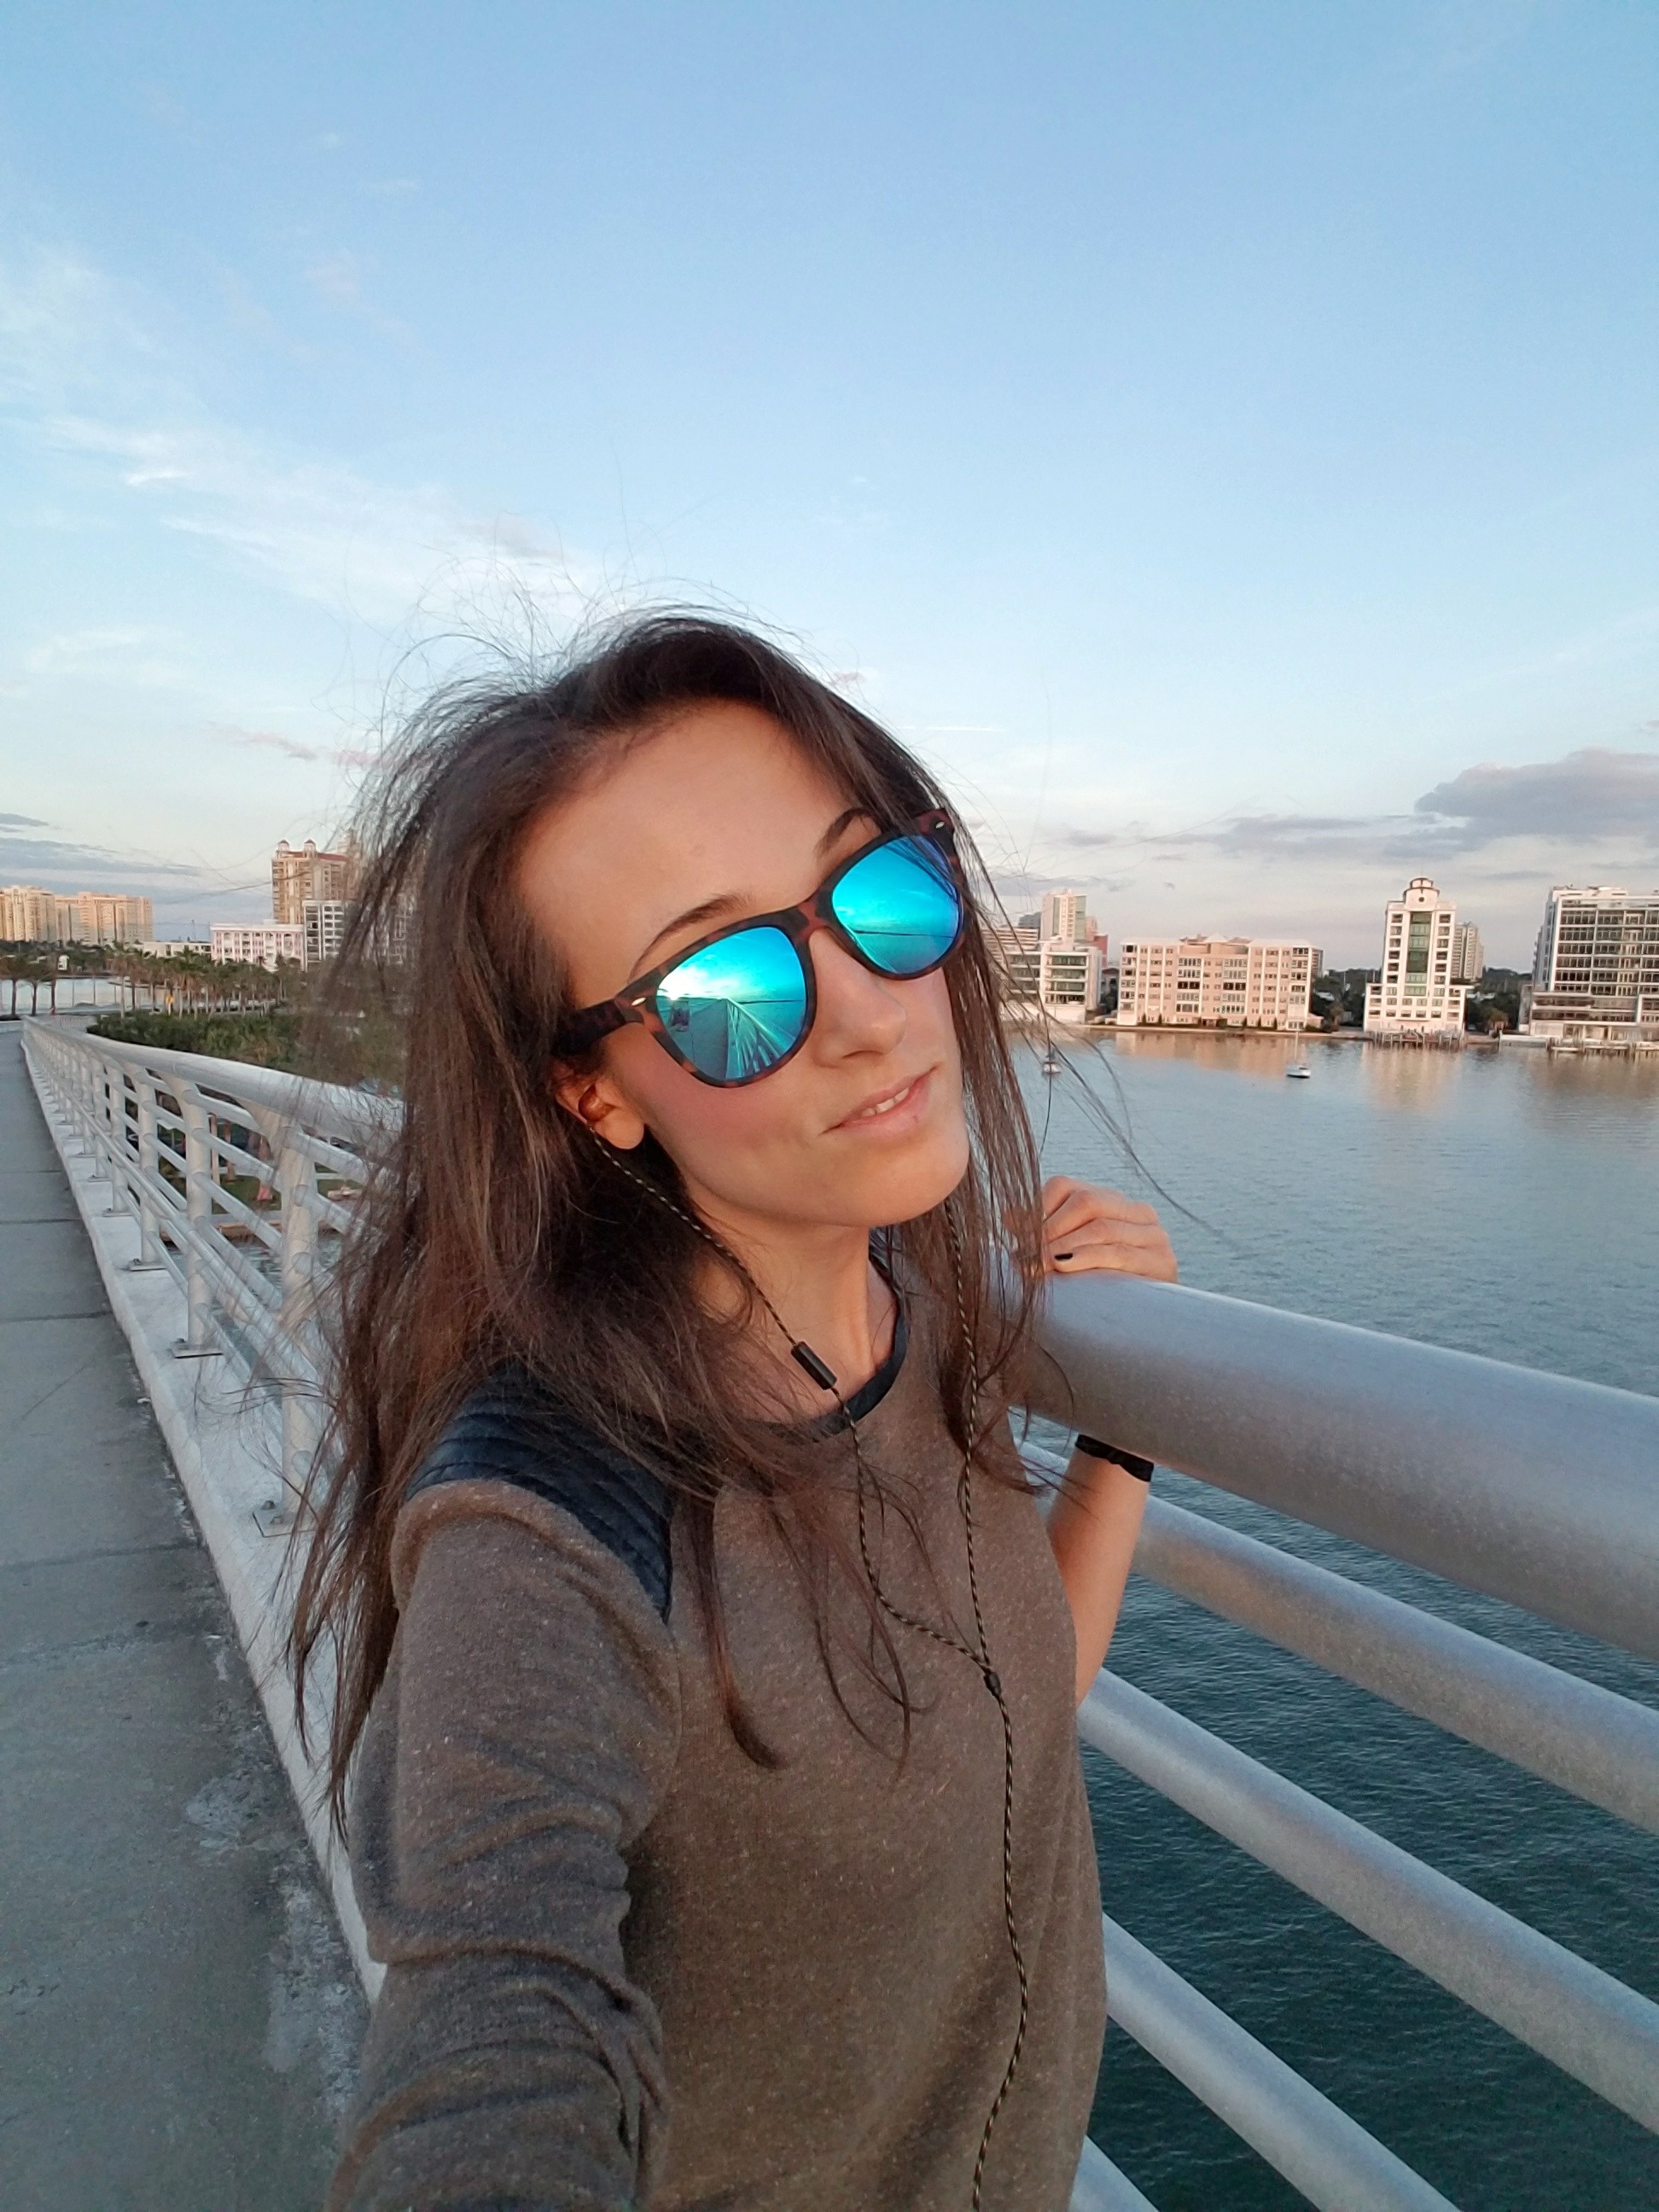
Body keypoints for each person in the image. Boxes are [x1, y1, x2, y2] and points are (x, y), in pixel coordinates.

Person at [292, 615, 1177, 2212]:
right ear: (595, 1093)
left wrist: (1119, 1424)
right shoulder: (553, 1521)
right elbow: (490, 2029)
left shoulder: (912, 1307)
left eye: (878, 895)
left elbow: (1009, 1704)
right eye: (722, 985)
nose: (862, 1011)